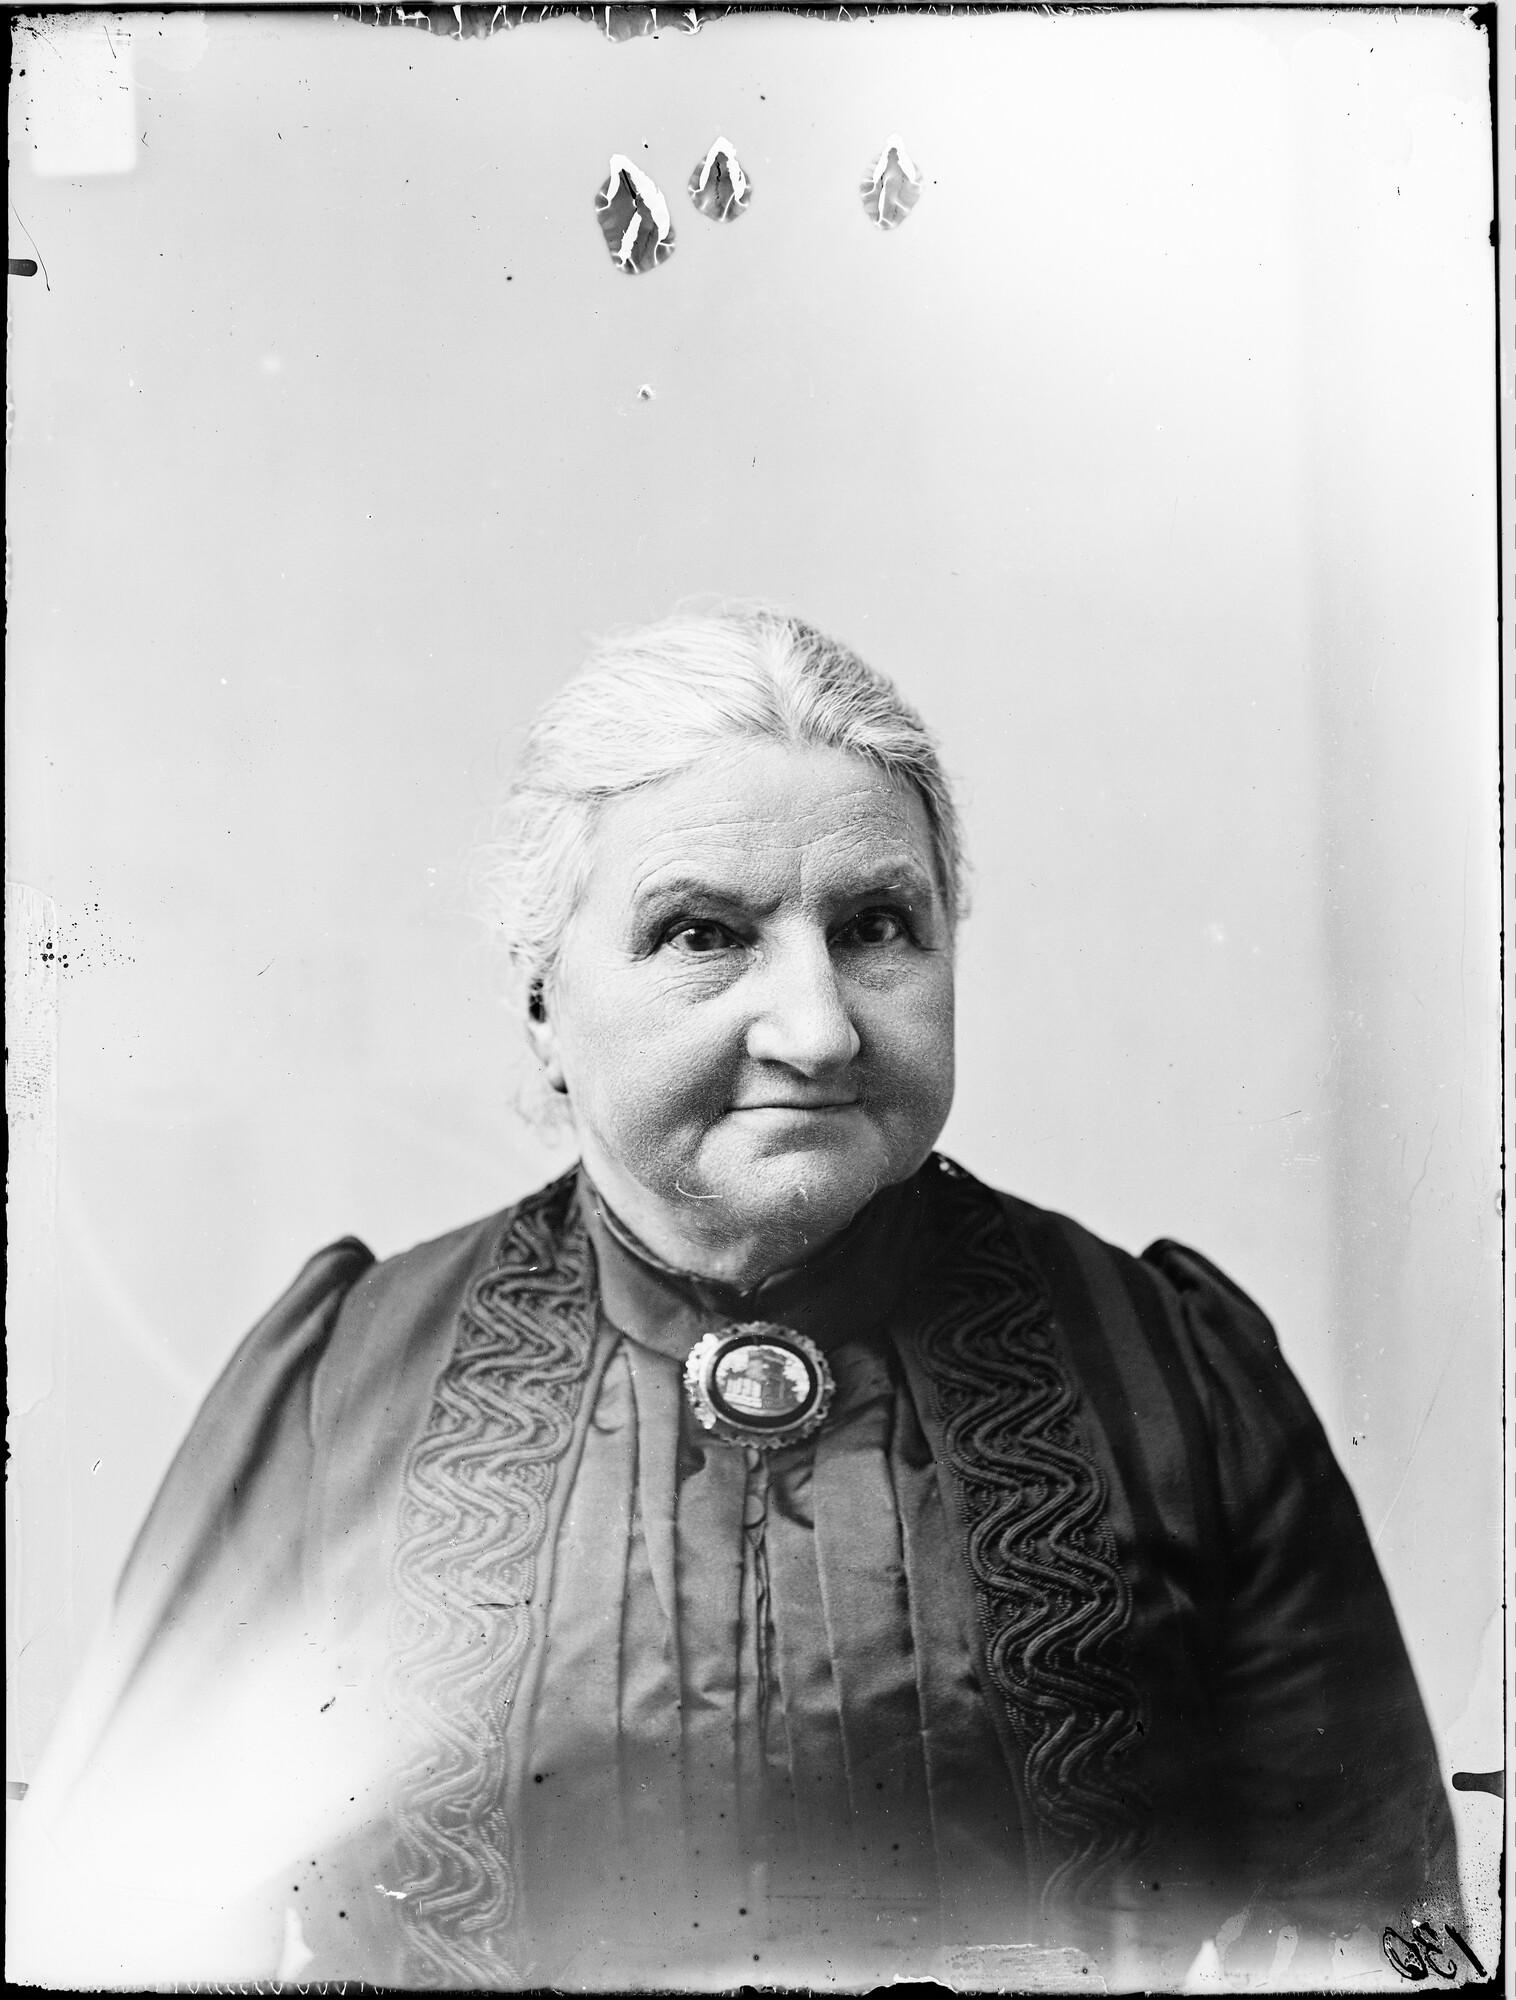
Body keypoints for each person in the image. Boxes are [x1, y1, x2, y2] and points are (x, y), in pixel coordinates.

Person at [12, 606, 1457, 1991]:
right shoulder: (338, 1395)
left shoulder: (1171, 1376)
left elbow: (1387, 1943)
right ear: (541, 998)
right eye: (703, 933)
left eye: (878, 926)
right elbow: (122, 1950)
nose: (817, 1028)